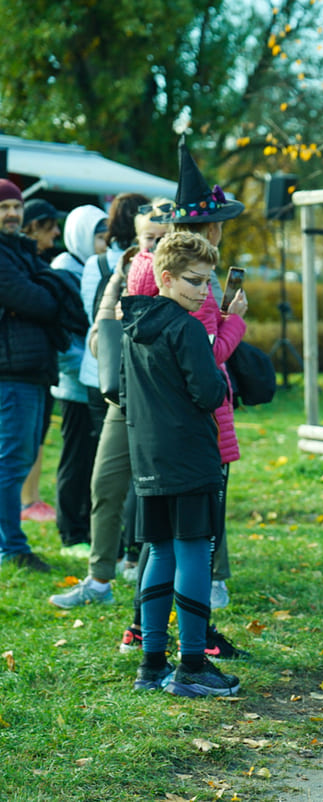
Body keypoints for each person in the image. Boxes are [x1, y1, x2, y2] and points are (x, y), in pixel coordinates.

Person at [120, 140, 248, 659]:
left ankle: (152, 654)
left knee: (161, 547)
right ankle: (193, 656)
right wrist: (233, 322)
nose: (202, 289)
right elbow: (206, 373)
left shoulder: (140, 304)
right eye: (196, 282)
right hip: (192, 438)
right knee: (194, 545)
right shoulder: (187, 313)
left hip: (150, 441)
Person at [47, 195, 151, 609]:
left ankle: (143, 564)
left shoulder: (177, 272)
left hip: (158, 394)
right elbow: (97, 325)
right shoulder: (110, 267)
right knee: (104, 482)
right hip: (114, 389)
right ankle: (99, 578)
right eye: (146, 237)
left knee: (149, 486)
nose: (151, 245)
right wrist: (110, 308)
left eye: (159, 238)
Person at [0, 180, 73, 572]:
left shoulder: (20, 250)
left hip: (33, 370)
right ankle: (11, 547)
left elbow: (48, 294)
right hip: (11, 373)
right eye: (3, 207)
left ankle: (10, 543)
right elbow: (38, 300)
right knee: (12, 462)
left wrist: (42, 291)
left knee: (22, 457)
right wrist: (42, 291)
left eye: (16, 206)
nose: (12, 213)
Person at [48, 204, 109, 556]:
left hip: (95, 382)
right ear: (81, 236)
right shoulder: (63, 271)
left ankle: (86, 527)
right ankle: (71, 533)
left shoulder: (94, 267)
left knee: (93, 461)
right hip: (75, 385)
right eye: (98, 237)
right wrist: (86, 368)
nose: (103, 244)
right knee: (76, 459)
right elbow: (62, 336)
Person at [18, 197, 66, 524]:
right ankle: (26, 501)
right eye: (50, 228)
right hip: (22, 367)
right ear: (34, 226)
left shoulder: (37, 262)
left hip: (40, 365)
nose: (56, 234)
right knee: (22, 440)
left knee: (36, 434)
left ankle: (31, 498)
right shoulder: (21, 265)